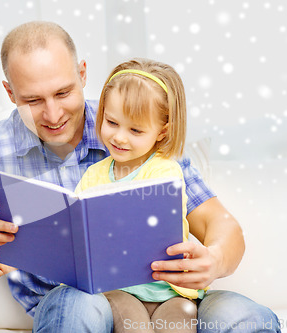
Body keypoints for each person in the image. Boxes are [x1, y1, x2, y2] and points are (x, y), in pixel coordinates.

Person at [0, 21, 280, 332]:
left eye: (63, 93)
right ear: (9, 92)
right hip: (77, 304)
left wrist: (213, 260)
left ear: (84, 73)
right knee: (76, 304)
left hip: (171, 297)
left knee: (245, 317)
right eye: (33, 100)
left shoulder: (129, 124)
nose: (53, 115)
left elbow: (222, 225)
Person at [69, 58, 199, 333]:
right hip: (118, 289)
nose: (119, 137)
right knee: (133, 327)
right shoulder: (93, 175)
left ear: (162, 132)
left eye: (135, 130)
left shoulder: (165, 171)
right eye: (111, 122)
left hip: (172, 292)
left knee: (179, 326)